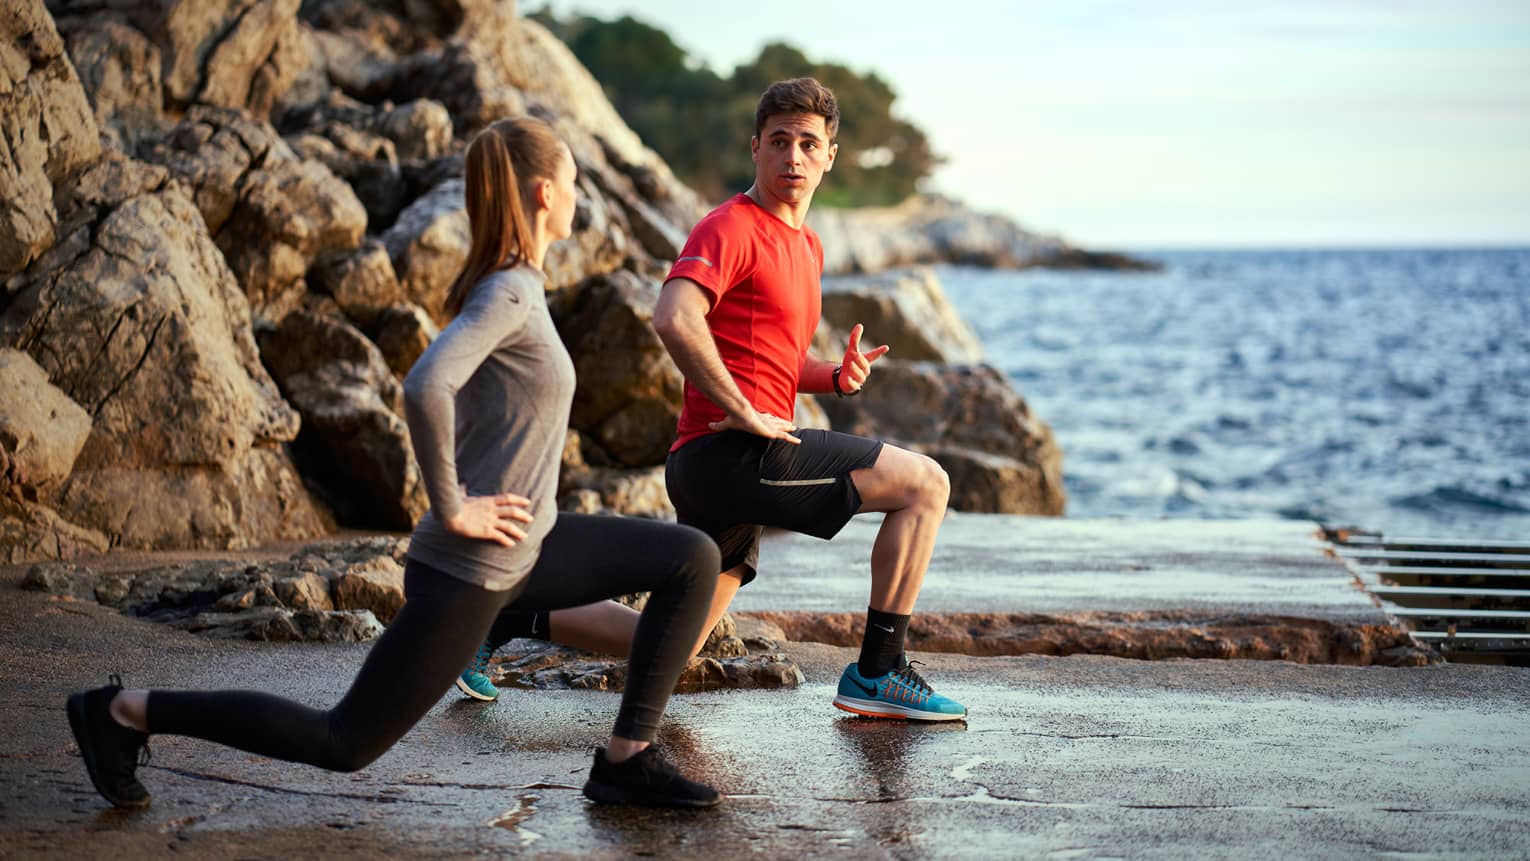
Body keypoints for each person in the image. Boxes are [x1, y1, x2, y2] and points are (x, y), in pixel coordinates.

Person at [64, 116, 725, 812]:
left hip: (535, 543)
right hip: (474, 566)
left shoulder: (520, 285)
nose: (578, 191)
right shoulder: (507, 290)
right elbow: (424, 383)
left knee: (689, 558)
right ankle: (123, 711)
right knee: (343, 740)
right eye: (572, 179)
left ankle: (627, 760)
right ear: (540, 193)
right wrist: (454, 506)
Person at [462, 79, 966, 723]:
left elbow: (768, 361)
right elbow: (674, 317)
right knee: (926, 484)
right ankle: (879, 670)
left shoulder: (807, 246)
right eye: (779, 141)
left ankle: (512, 611)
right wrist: (742, 407)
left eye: (808, 144)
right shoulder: (730, 226)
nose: (793, 156)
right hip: (732, 453)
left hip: (721, 465)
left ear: (830, 156)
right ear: (756, 148)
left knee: (679, 643)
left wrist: (832, 378)